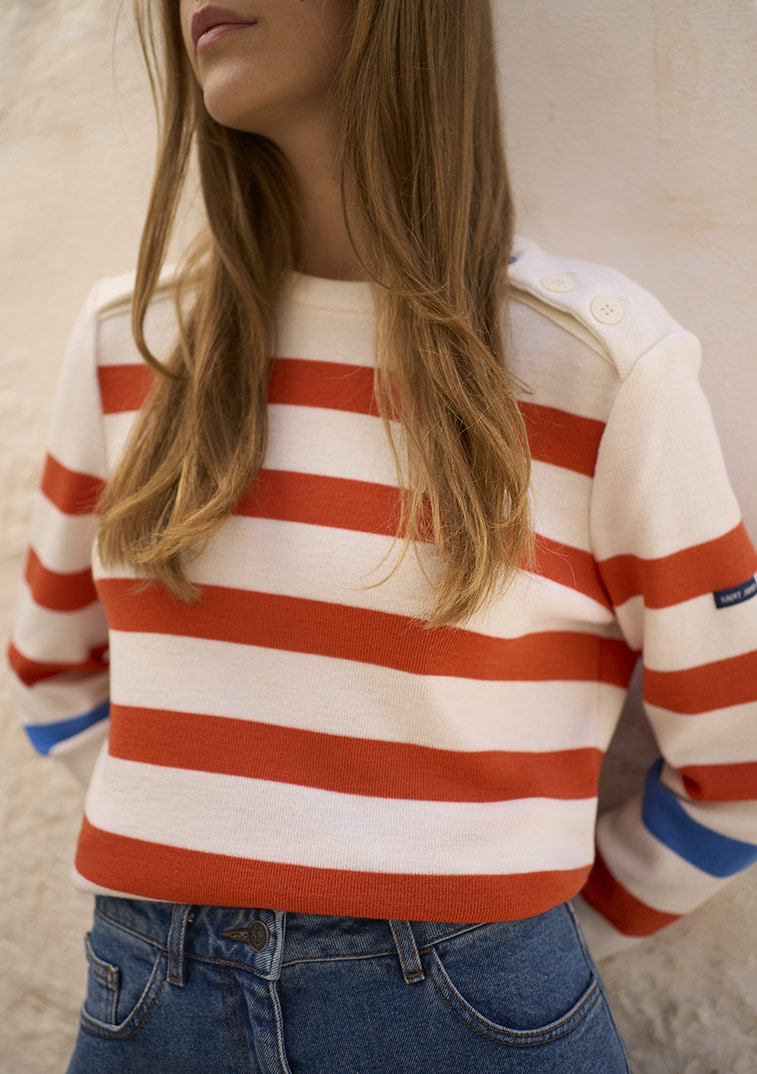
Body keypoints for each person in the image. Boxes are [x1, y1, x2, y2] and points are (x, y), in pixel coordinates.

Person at [6, 1, 757, 1071]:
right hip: (149, 999)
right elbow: (51, 672)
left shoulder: (593, 363)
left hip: (473, 1013)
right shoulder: (132, 341)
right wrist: (200, 843)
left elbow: (737, 755)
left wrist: (526, 941)